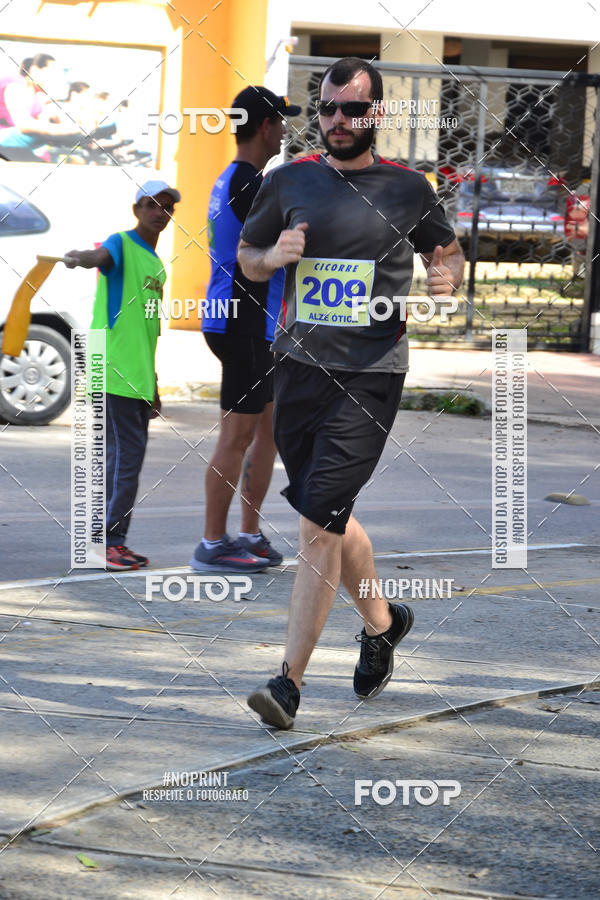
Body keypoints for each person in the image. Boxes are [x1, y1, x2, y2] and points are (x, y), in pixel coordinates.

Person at [239, 57, 465, 729]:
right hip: (299, 369)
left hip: (372, 373)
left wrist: (445, 277)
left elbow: (447, 251)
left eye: (353, 110)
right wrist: (272, 256)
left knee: (316, 524)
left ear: (378, 115)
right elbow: (248, 259)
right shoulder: (288, 181)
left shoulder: (408, 189)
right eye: (329, 109)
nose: (339, 121)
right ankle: (383, 622)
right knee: (327, 514)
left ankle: (287, 684)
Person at [190, 87, 301, 573]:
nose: (284, 131)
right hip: (243, 320)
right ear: (264, 126)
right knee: (236, 437)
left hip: (254, 322)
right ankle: (212, 544)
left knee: (267, 431)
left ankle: (250, 532)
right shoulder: (250, 184)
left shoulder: (237, 178)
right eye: (281, 121)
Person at [65, 179, 181, 570]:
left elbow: (149, 331)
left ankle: (108, 541)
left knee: (120, 461)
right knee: (124, 464)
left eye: (166, 207)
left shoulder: (156, 266)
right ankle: (107, 542)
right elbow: (101, 259)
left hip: (136, 375)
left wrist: (154, 383)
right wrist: (81, 256)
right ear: (137, 210)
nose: (158, 212)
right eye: (151, 205)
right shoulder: (121, 244)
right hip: (112, 368)